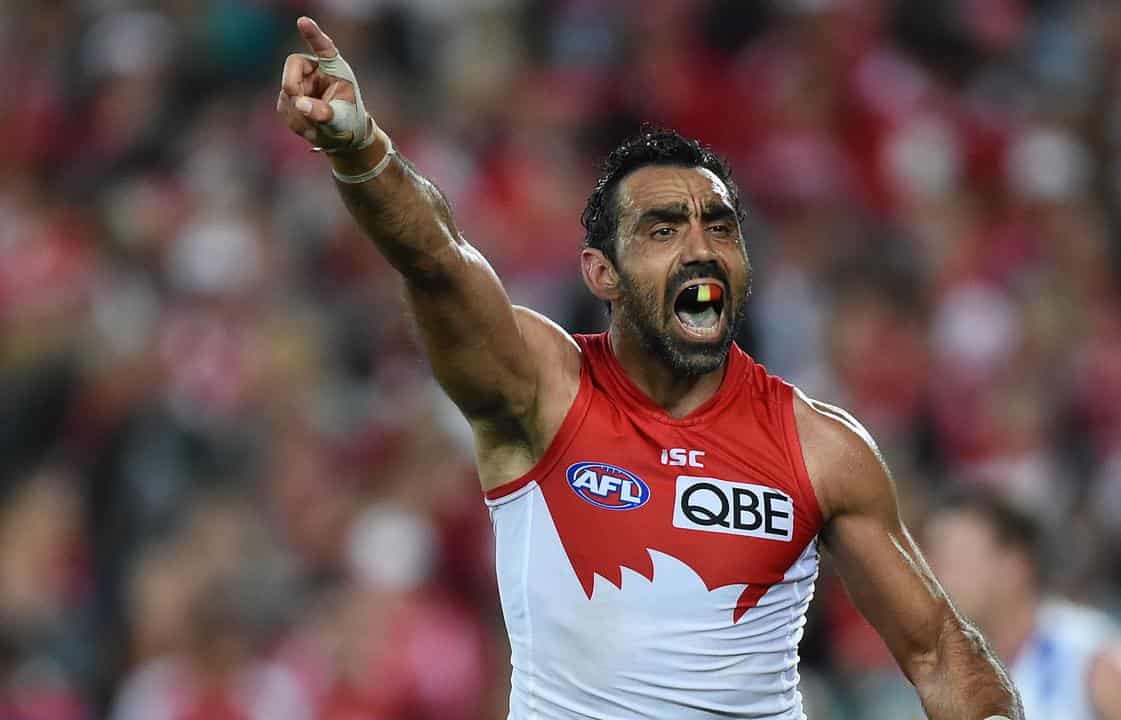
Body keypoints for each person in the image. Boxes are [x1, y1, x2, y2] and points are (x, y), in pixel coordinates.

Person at [275, 16, 1023, 720]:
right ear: (602, 274)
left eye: (719, 226)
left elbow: (939, 655)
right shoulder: (543, 390)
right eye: (663, 229)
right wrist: (360, 148)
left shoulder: (822, 448)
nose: (700, 248)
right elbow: (436, 260)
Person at [922, 489, 1121, 720]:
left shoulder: (1093, 661)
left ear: (1013, 566)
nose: (937, 575)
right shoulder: (952, 679)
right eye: (933, 559)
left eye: (956, 559)